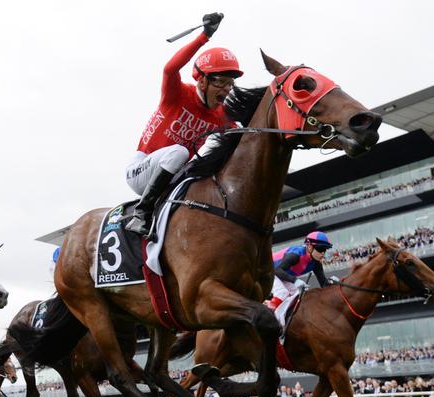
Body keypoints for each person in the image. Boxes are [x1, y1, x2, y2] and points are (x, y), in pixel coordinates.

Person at [125, 12, 243, 235]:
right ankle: (141, 213)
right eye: (221, 83)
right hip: (140, 170)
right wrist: (204, 36)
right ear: (201, 80)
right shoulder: (177, 94)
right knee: (179, 152)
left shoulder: (220, 115)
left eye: (230, 84)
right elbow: (170, 69)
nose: (227, 90)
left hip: (172, 173)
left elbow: (244, 137)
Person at [267, 231, 333, 311]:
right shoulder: (295, 255)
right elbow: (277, 270)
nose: (323, 253)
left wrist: (333, 284)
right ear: (309, 246)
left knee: (297, 294)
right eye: (320, 249)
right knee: (282, 293)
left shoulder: (316, 263)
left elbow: (323, 284)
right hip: (267, 270)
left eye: (324, 250)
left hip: (280, 275)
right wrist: (295, 280)